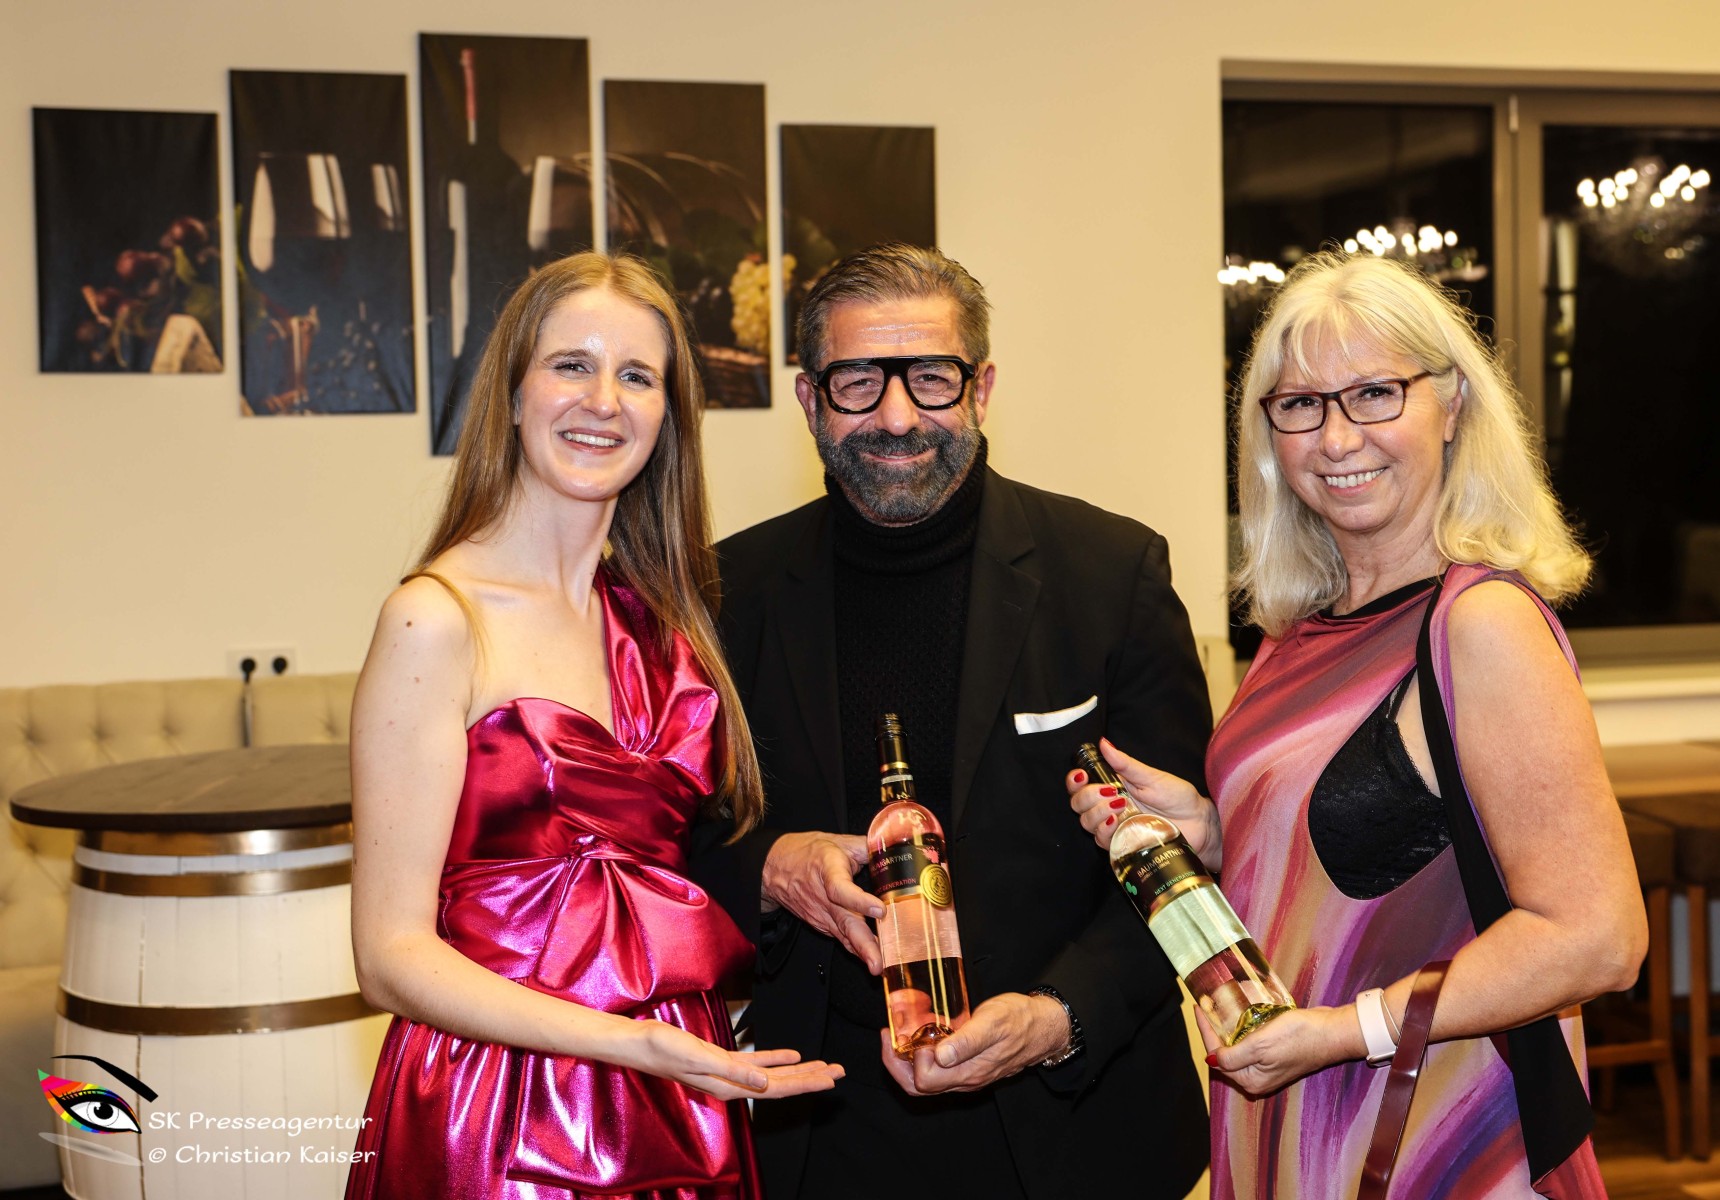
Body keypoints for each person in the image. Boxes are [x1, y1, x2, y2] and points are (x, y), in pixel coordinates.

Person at [1070, 250, 1647, 1198]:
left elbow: (1599, 937)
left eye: (1375, 394)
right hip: (1296, 1100)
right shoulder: (1298, 629)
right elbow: (1353, 850)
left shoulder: (1479, 623)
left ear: (1452, 405)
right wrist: (1212, 831)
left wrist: (1348, 1032)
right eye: (1301, 405)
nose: (1338, 438)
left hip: (1427, 1122)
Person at [690, 243, 1211, 1199]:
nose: (897, 417)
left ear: (982, 389)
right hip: (819, 1133)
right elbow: (671, 843)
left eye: (931, 378)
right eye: (858, 382)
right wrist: (765, 868)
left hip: (1076, 1128)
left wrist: (1060, 1016)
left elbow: (1183, 860)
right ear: (809, 399)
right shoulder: (724, 594)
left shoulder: (1113, 572)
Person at [343, 251, 842, 1200]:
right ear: (514, 393)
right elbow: (389, 958)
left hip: (682, 1081)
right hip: (499, 1103)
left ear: (667, 417)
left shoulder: (671, 627)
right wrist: (631, 1044)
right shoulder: (435, 619)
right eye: (572, 364)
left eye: (637, 376)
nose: (604, 401)